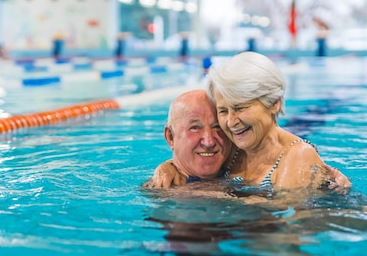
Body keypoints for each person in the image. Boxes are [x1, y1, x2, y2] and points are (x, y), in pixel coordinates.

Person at [145, 52, 350, 194]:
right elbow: (193, 162)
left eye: (241, 107)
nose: (232, 122)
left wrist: (197, 194)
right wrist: (170, 167)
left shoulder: (298, 156)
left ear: (274, 103)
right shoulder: (235, 149)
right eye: (224, 111)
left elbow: (280, 232)